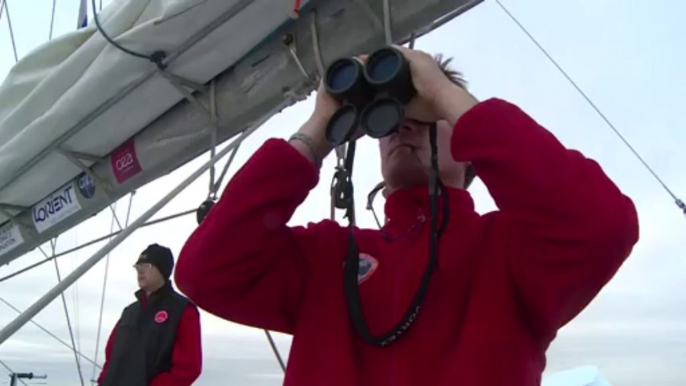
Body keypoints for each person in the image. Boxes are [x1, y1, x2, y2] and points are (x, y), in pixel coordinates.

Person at [174, 46, 639, 385]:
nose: (405, 125)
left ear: (467, 142)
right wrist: (318, 129)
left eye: (423, 113)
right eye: (393, 117)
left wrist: (441, 92)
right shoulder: (327, 256)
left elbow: (602, 227)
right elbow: (205, 273)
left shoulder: (512, 251)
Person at [97, 244, 202, 386]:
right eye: (138, 267)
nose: (140, 271)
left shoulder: (182, 310)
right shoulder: (129, 313)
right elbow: (111, 357)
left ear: (162, 270)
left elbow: (188, 368)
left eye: (147, 266)